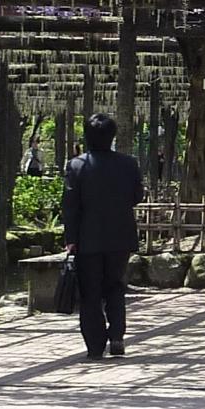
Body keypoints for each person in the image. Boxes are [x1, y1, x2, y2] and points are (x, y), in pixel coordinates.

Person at [62, 113, 144, 361]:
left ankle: (95, 345)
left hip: (88, 238)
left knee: (90, 292)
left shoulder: (77, 165)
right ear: (112, 137)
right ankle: (117, 335)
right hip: (120, 236)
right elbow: (137, 196)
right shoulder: (128, 164)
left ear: (87, 137)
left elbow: (70, 205)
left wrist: (70, 238)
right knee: (115, 286)